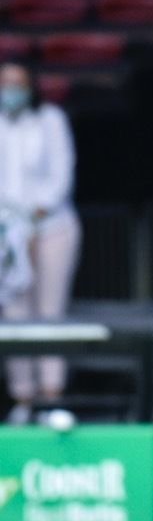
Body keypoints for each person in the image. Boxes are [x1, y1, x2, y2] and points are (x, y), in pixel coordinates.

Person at [0, 59, 80, 425]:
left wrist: (34, 217)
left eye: (17, 83)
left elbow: (61, 174)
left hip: (52, 228)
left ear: (31, 85)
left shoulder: (50, 120)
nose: (11, 90)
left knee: (50, 314)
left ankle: (52, 396)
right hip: (5, 234)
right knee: (15, 316)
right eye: (5, 83)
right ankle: (23, 397)